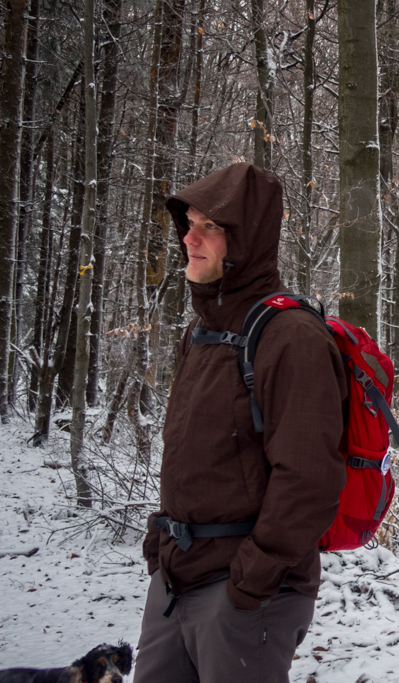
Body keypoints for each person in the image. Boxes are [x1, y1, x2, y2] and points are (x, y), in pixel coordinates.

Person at [134, 163, 347, 682]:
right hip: (176, 578)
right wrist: (159, 547)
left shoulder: (291, 337)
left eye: (210, 227)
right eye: (189, 224)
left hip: (246, 594)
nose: (190, 238)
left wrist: (251, 583)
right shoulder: (200, 334)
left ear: (245, 239)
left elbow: (310, 479)